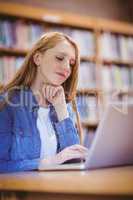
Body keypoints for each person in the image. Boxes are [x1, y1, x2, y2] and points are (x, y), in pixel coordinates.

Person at [0, 32, 88, 173]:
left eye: (71, 64)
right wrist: (47, 162)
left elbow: (75, 161)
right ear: (37, 58)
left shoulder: (64, 108)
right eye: (59, 58)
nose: (67, 68)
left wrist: (61, 110)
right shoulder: (6, 104)